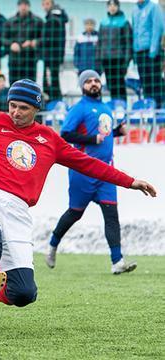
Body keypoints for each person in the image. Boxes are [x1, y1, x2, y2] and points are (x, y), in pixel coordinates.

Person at [0, 79, 156, 316]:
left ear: (36, 109)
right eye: (12, 105)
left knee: (24, 293)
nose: (15, 112)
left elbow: (89, 164)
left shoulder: (49, 139)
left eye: (23, 108)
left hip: (19, 211)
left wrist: (130, 181)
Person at [45, 69, 137, 274]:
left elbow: (102, 135)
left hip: (106, 173)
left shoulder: (106, 107)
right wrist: (91, 140)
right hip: (83, 172)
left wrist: (116, 133)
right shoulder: (79, 108)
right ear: (82, 86)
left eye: (96, 80)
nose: (94, 83)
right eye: (89, 81)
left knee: (111, 215)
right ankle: (52, 244)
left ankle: (117, 261)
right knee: (75, 213)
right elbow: (65, 134)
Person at [96, 0, 132, 102]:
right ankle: (114, 107)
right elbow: (100, 41)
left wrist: (126, 61)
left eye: (114, 5)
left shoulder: (124, 22)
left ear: (118, 7)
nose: (112, 7)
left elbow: (128, 42)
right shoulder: (103, 22)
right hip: (106, 59)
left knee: (119, 85)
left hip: (119, 59)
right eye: (110, 5)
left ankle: (122, 106)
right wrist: (99, 58)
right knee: (111, 85)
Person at [2, 0, 43, 83]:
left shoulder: (38, 21)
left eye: (25, 5)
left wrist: (33, 42)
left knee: (30, 86)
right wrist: (11, 44)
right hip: (14, 60)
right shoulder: (10, 22)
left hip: (30, 59)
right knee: (14, 86)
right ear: (18, 7)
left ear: (29, 6)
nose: (23, 7)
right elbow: (3, 39)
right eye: (21, 5)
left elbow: (44, 38)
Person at [133, 0, 164, 107]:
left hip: (151, 52)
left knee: (155, 81)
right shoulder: (135, 10)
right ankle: (149, 106)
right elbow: (135, 31)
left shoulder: (154, 7)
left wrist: (153, 49)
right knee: (145, 82)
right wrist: (135, 51)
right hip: (139, 52)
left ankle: (160, 106)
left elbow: (158, 27)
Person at [41, 0, 68, 102]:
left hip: (51, 56)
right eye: (44, 4)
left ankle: (52, 102)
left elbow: (49, 39)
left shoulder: (53, 19)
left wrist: (40, 45)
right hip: (55, 55)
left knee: (51, 81)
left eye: (47, 4)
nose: (45, 6)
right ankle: (55, 101)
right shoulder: (58, 17)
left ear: (52, 4)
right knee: (54, 80)